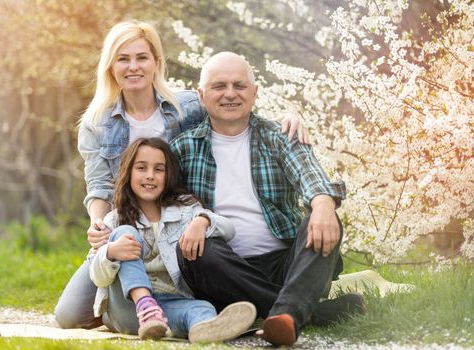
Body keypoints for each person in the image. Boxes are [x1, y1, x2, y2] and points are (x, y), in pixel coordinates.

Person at [55, 20, 306, 329]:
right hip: (129, 227)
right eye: (123, 59)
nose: (133, 67)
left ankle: (196, 310)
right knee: (71, 315)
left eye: (141, 57)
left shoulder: (186, 105)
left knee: (185, 278)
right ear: (111, 66)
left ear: (156, 63)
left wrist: (286, 117)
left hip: (176, 225)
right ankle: (143, 304)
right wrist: (98, 223)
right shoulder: (96, 123)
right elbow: (99, 185)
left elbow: (236, 108)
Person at [170, 52, 366, 347]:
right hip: (225, 270)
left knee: (324, 215)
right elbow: (167, 203)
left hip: (287, 265)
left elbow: (309, 174)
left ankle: (283, 312)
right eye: (219, 86)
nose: (230, 94)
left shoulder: (279, 135)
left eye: (239, 85)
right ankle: (300, 311)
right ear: (201, 95)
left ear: (255, 92)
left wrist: (323, 203)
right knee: (193, 250)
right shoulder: (183, 148)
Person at [89, 137, 256, 342]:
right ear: (128, 172)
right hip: (127, 308)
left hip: (169, 303)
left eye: (159, 169)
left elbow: (228, 229)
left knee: (201, 307)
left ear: (169, 175)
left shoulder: (185, 210)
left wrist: (202, 221)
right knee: (126, 234)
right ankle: (146, 307)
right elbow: (97, 277)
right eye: (141, 168)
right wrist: (111, 252)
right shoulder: (114, 219)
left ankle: (205, 330)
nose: (150, 176)